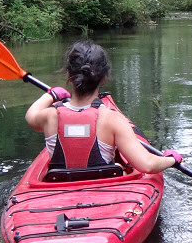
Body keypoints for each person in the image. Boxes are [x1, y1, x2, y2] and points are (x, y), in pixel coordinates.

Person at [25, 39, 181, 175]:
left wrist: (51, 95)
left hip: (58, 187)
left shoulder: (49, 116)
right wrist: (170, 159)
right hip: (104, 191)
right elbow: (147, 165)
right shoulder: (113, 120)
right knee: (120, 166)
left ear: (69, 76)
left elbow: (30, 116)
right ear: (103, 79)